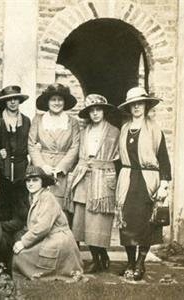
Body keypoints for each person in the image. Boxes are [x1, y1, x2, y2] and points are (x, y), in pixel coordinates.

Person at [115, 87, 171, 281]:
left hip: (148, 181)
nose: (137, 107)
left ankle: (140, 263)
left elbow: (163, 158)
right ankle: (130, 262)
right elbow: (118, 158)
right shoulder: (124, 129)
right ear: (129, 107)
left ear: (146, 105)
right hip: (128, 179)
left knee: (145, 223)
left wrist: (164, 183)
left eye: (140, 103)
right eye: (133, 104)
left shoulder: (154, 129)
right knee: (126, 222)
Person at [67, 94, 120, 273]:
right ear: (88, 113)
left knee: (98, 220)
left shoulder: (114, 131)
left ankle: (102, 255)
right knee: (83, 220)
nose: (95, 114)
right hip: (84, 176)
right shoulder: (84, 132)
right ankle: (95, 257)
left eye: (98, 110)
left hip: (102, 179)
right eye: (92, 111)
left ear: (104, 111)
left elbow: (120, 157)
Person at [12, 166, 83, 280]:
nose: (30, 183)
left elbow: (43, 227)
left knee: (20, 256)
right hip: (48, 237)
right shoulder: (35, 196)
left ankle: (56, 271)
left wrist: (24, 242)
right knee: (19, 255)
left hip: (58, 241)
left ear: (43, 182)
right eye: (28, 180)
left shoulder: (47, 197)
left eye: (35, 180)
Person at [28, 83, 80, 220]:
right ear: (47, 102)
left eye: (60, 100)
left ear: (64, 102)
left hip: (62, 172)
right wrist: (42, 166)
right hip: (42, 168)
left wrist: (60, 168)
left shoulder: (72, 122)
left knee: (60, 209)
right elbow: (31, 144)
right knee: (41, 206)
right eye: (53, 99)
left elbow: (75, 146)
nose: (56, 103)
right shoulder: (38, 120)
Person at [0, 85, 31, 182]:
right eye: (9, 99)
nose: (12, 102)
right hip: (3, 163)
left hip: (21, 164)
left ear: (19, 101)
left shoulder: (26, 120)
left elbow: (29, 141)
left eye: (15, 99)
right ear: (5, 101)